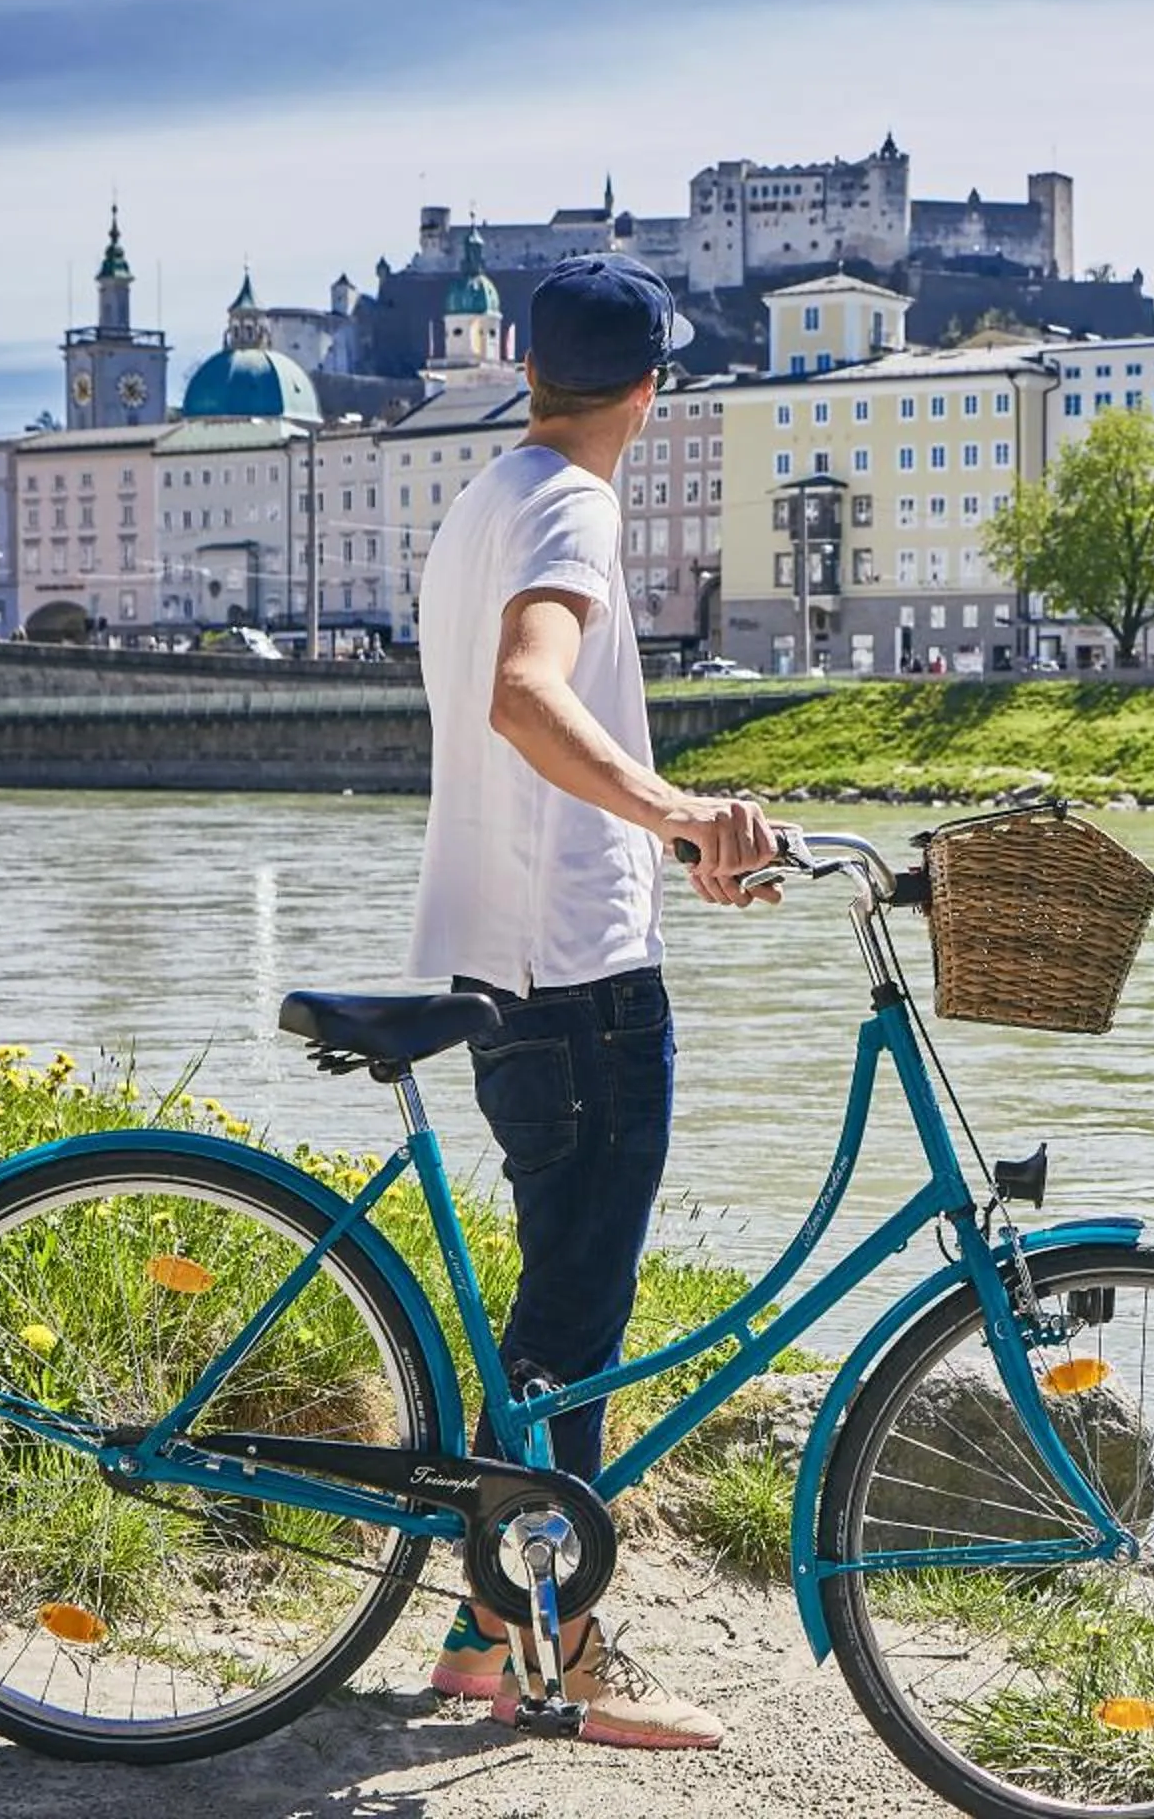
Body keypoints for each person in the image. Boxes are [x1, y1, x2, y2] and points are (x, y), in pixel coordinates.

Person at [406, 253, 773, 1749]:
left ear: (529, 372)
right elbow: (525, 693)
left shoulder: (486, 495)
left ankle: (481, 1636)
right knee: (576, 1325)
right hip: (576, 982)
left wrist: (650, 835)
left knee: (554, 1310)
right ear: (649, 389)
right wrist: (683, 812)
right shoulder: (572, 501)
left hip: (508, 953)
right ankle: (564, 1644)